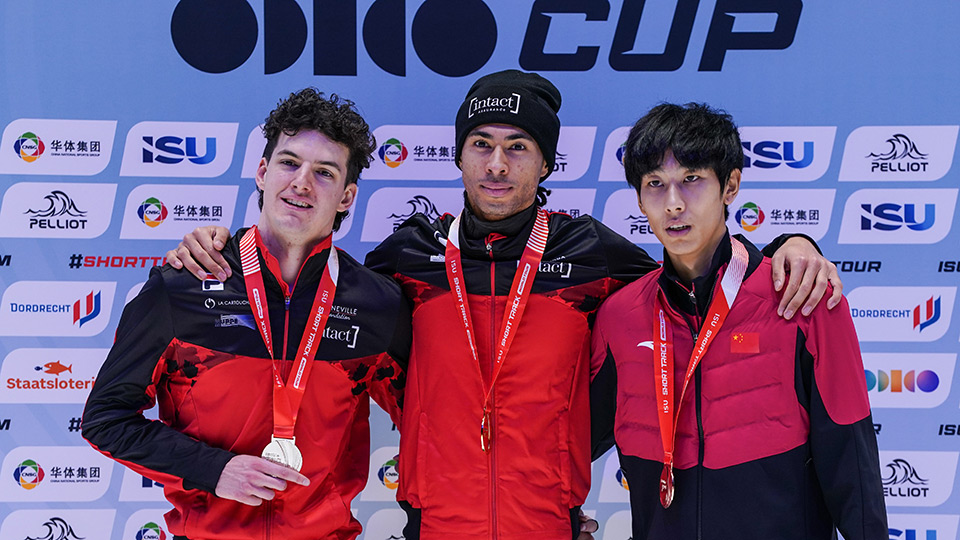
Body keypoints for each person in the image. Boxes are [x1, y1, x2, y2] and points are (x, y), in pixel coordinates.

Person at [167, 71, 841, 540]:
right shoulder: (411, 253)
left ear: (545, 164)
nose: (497, 164)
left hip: (548, 523)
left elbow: (692, 277)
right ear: (459, 156)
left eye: (518, 147)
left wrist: (789, 246)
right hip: (436, 524)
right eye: (481, 145)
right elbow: (308, 294)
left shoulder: (588, 250)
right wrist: (220, 247)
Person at [82, 89, 410, 540]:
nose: (302, 182)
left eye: (324, 172)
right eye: (289, 163)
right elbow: (106, 419)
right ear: (262, 172)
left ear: (346, 197)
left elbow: (431, 425)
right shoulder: (184, 285)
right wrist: (214, 469)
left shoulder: (377, 305)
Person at [590, 103, 886, 539]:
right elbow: (571, 442)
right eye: (655, 184)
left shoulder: (802, 297)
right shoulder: (619, 316)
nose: (673, 203)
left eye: (692, 179)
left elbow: (850, 454)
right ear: (638, 199)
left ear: (730, 186)